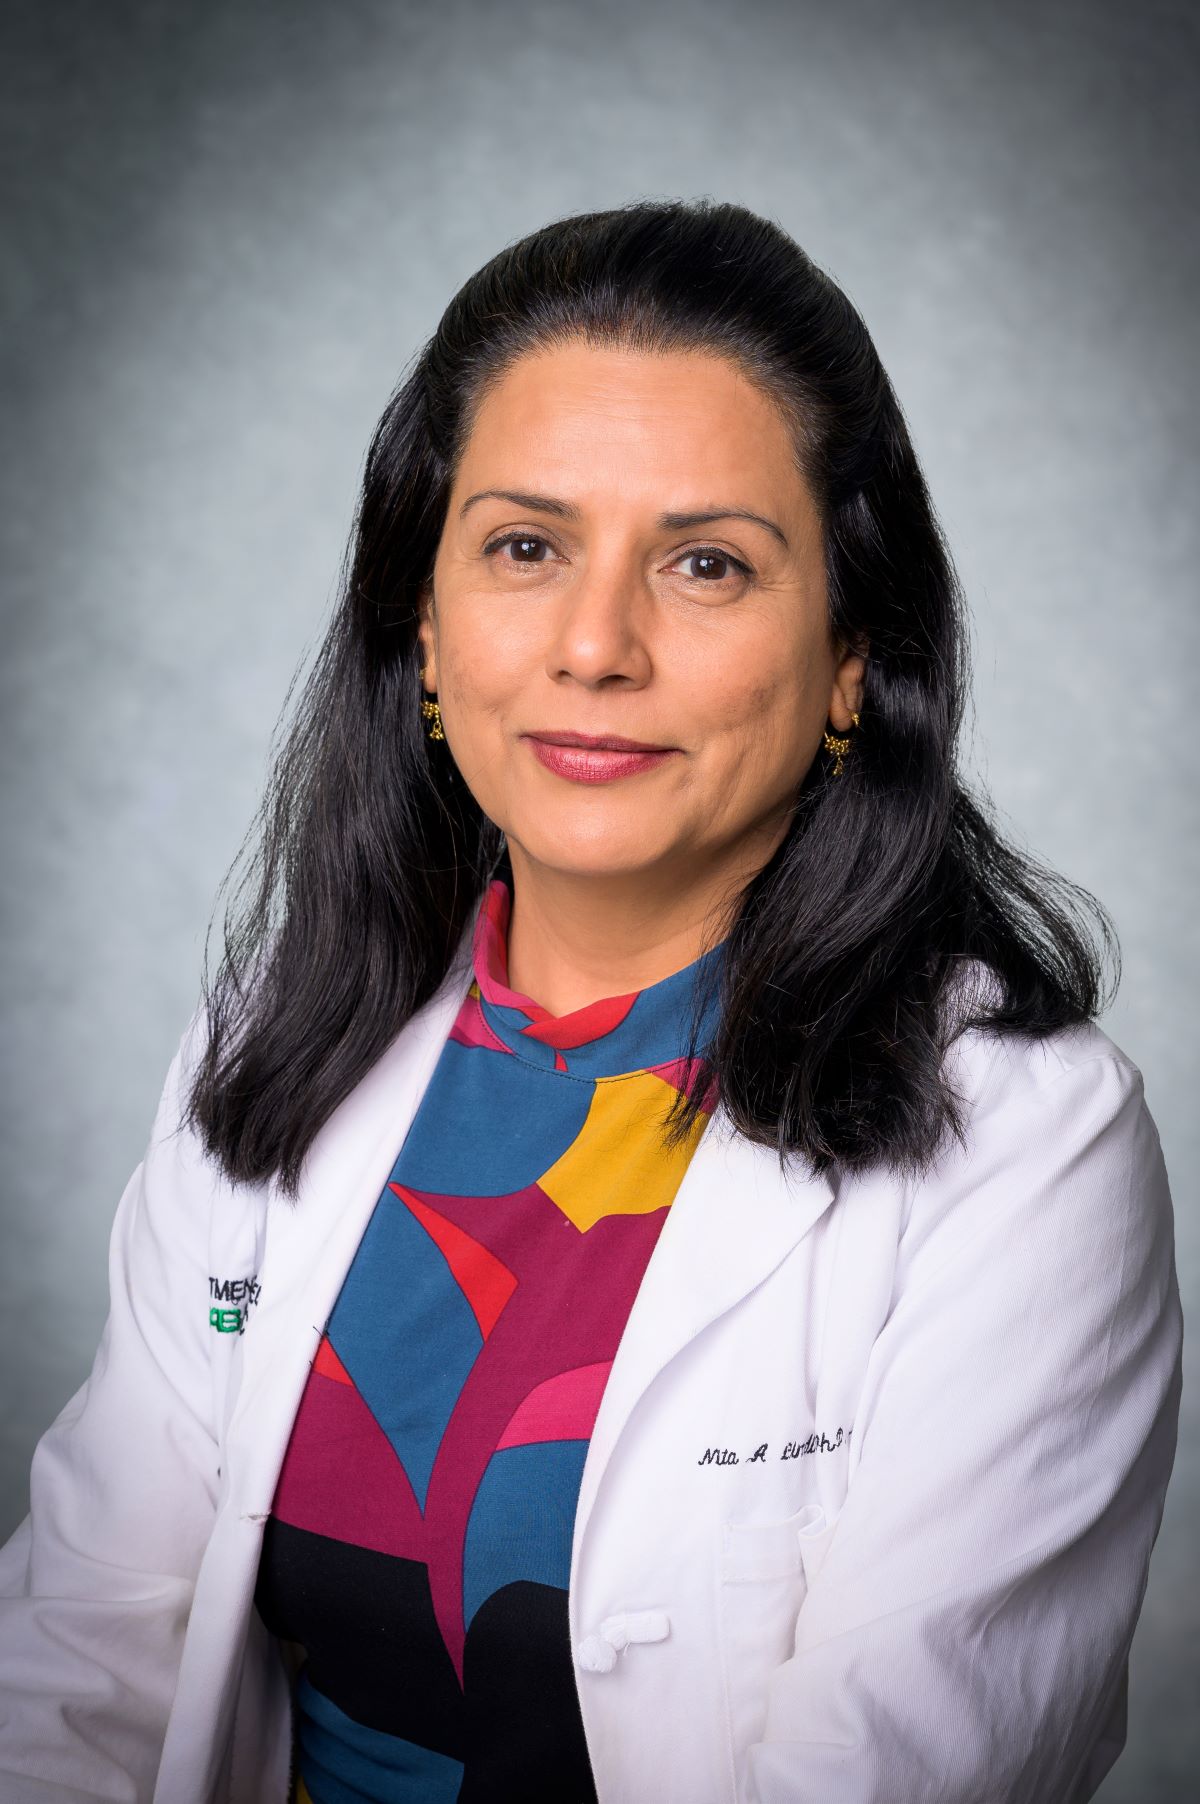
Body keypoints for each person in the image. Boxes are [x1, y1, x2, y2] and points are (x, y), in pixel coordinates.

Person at [0, 198, 1182, 1804]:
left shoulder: (1027, 1146)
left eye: (706, 564)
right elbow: (81, 1654)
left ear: (852, 655)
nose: (596, 645)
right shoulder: (276, 1043)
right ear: (425, 625)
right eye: (525, 547)